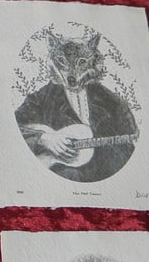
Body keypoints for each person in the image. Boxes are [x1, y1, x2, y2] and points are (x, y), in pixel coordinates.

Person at [14, 30, 137, 183]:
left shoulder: (112, 101)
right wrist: (44, 138)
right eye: (63, 62)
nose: (71, 72)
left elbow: (131, 142)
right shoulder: (41, 98)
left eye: (81, 63)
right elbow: (14, 128)